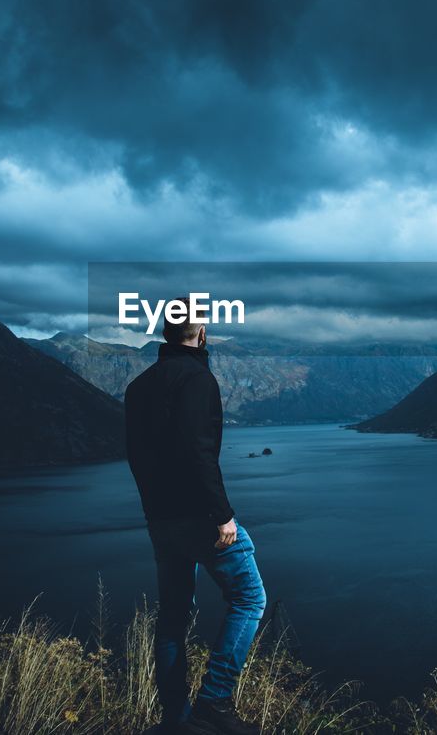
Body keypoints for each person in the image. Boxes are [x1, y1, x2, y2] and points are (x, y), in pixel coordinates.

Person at [124, 297, 267, 735]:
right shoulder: (198, 378)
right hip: (200, 516)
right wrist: (222, 515)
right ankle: (214, 701)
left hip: (161, 519)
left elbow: (137, 457)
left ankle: (175, 719)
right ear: (201, 332)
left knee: (172, 619)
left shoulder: (139, 386)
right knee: (250, 598)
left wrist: (154, 511)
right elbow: (197, 451)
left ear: (164, 332)